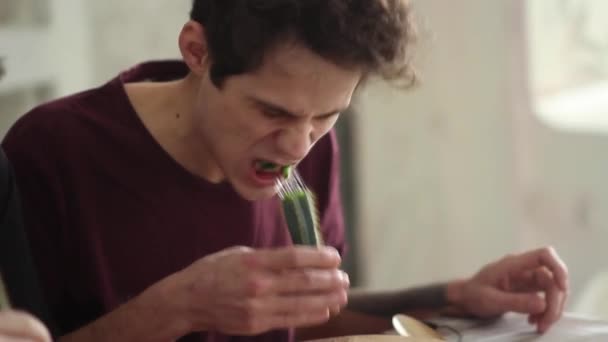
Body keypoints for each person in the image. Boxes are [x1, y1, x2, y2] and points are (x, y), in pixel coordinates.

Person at [2, 1, 569, 341]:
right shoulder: (50, 155)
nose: (298, 144)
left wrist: (455, 297)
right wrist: (181, 306)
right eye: (271, 110)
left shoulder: (312, 151)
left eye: (327, 115)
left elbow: (307, 319)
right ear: (198, 52)